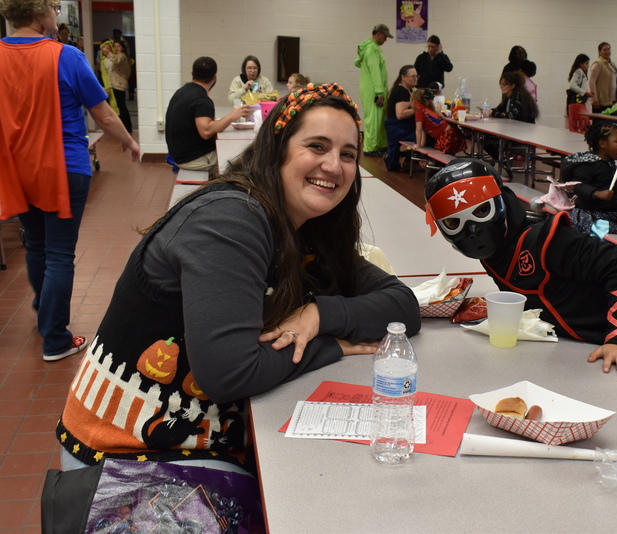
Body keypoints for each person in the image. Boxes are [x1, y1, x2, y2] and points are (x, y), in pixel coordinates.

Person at [56, 83, 421, 474]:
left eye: (348, 154)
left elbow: (403, 305)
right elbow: (230, 374)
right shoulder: (232, 219)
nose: (334, 165)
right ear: (277, 148)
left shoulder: (307, 229)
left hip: (201, 440)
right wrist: (332, 344)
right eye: (317, 146)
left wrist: (319, 315)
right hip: (125, 454)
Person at [424, 159, 617, 376]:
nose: (473, 230)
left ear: (502, 202)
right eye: (454, 223)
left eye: (482, 211)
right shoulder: (497, 253)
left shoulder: (549, 241)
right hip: (575, 355)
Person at [0, 0, 139, 361]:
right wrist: (128, 140)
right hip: (63, 167)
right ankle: (56, 340)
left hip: (17, 170)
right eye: (53, 9)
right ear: (37, 13)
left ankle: (44, 309)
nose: (55, 16)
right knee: (60, 254)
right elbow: (104, 115)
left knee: (36, 244)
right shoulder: (67, 57)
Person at [165, 56, 251, 172]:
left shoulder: (182, 91)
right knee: (241, 160)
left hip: (180, 154)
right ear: (215, 77)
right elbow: (206, 132)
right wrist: (231, 116)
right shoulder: (201, 99)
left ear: (192, 73)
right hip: (193, 159)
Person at [562, 121, 617, 239]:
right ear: (602, 143)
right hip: (589, 213)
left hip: (608, 211)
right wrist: (596, 193)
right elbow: (578, 186)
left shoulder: (609, 163)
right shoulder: (588, 164)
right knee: (609, 232)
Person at [355, 23, 392, 157]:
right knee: (373, 118)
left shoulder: (370, 48)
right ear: (379, 34)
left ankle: (379, 145)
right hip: (373, 90)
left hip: (370, 88)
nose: (386, 40)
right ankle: (370, 148)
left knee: (378, 118)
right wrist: (379, 92)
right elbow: (375, 72)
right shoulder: (372, 50)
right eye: (385, 37)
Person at [384, 65, 418, 171]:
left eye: (416, 76)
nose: (415, 79)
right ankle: (414, 160)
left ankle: (411, 160)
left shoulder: (406, 90)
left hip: (397, 127)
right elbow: (400, 114)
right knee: (426, 135)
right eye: (412, 76)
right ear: (403, 77)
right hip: (398, 127)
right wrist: (417, 109)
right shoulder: (402, 91)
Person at [412, 88, 466, 154]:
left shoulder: (420, 111)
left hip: (447, 136)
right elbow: (423, 131)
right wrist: (420, 145)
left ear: (414, 101)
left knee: (436, 158)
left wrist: (417, 145)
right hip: (452, 134)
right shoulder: (428, 109)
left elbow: (418, 130)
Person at [109, 40, 133, 133]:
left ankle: (125, 128)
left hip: (118, 84)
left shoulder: (121, 55)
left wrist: (108, 53)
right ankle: (128, 127)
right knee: (122, 106)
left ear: (122, 48)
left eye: (118, 46)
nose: (116, 48)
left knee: (121, 107)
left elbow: (116, 60)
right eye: (114, 46)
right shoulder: (124, 56)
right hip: (120, 83)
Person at [588, 42, 617, 112]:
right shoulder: (597, 64)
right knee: (599, 123)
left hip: (609, 101)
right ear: (599, 52)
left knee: (608, 123)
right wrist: (595, 100)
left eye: (608, 49)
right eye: (604, 50)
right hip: (600, 102)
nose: (607, 51)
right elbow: (591, 82)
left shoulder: (612, 64)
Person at [98, 40, 119, 115]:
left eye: (108, 48)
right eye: (104, 48)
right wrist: (107, 87)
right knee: (113, 104)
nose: (106, 50)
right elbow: (104, 75)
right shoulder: (103, 61)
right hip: (110, 85)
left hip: (118, 83)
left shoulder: (115, 57)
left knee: (120, 104)